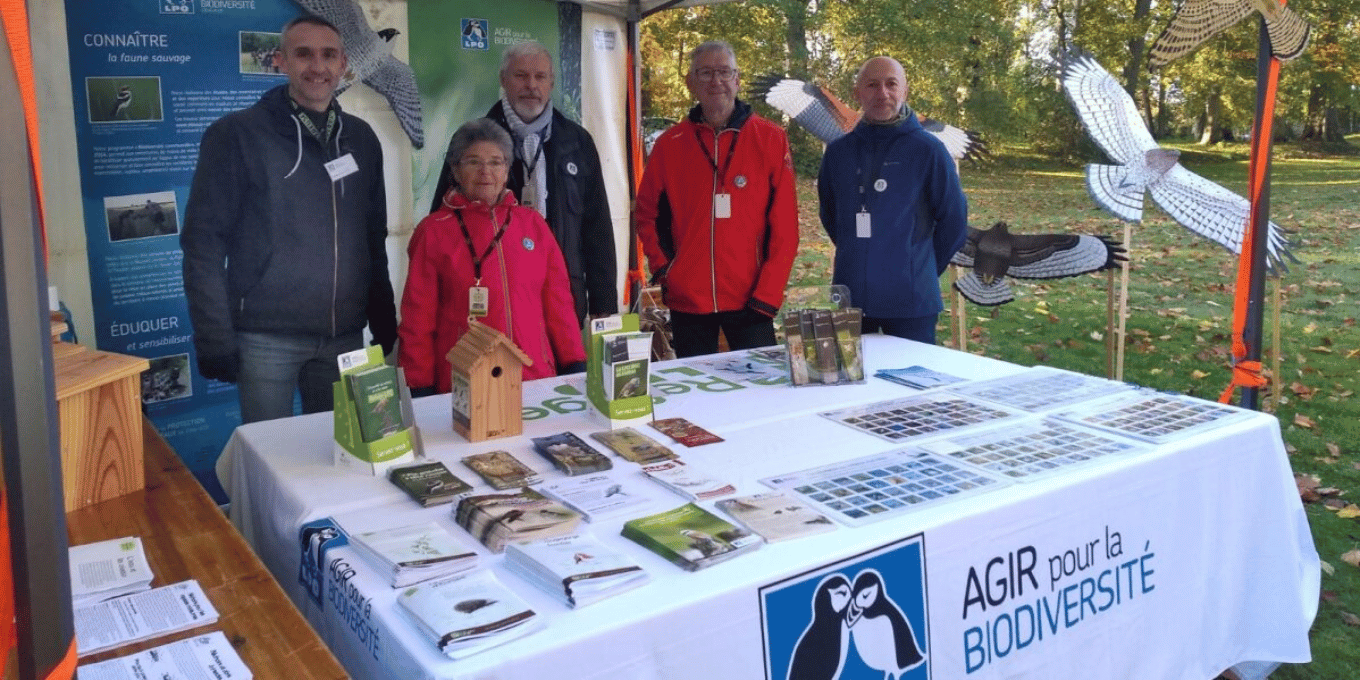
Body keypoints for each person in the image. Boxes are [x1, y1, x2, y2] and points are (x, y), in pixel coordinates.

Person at [181, 15, 397, 423]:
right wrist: (214, 337)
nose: (317, 67)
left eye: (328, 55)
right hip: (265, 341)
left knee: (344, 461)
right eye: (304, 54)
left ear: (344, 63)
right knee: (272, 458)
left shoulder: (362, 139)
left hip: (345, 338)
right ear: (280, 61)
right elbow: (203, 245)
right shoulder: (236, 135)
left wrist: (383, 317)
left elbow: (373, 237)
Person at [429, 41, 617, 325]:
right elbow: (443, 219)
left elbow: (597, 226)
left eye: (540, 77)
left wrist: (604, 302)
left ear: (552, 82)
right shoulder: (473, 140)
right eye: (521, 75)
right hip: (496, 302)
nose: (531, 85)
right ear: (503, 80)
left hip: (565, 298)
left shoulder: (578, 142)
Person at [635, 40, 799, 358]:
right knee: (697, 397)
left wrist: (768, 293)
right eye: (706, 73)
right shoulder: (671, 144)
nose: (716, 81)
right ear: (691, 82)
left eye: (724, 72)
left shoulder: (770, 138)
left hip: (751, 298)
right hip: (689, 299)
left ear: (737, 80)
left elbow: (785, 228)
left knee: (759, 392)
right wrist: (665, 271)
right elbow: (647, 214)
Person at [399, 118, 585, 396]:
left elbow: (558, 302)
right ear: (455, 170)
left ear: (507, 170)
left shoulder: (532, 224)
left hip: (534, 377)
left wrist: (574, 362)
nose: (486, 171)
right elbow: (418, 319)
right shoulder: (433, 231)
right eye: (473, 162)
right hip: (465, 382)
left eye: (496, 162)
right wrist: (418, 385)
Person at [817, 56, 967, 344]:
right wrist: (860, 253)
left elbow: (954, 222)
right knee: (854, 387)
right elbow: (832, 216)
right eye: (872, 85)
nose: (882, 93)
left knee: (913, 383)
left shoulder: (929, 151)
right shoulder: (838, 153)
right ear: (857, 93)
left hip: (911, 300)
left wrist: (919, 267)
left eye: (891, 84)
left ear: (904, 91)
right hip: (853, 297)